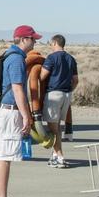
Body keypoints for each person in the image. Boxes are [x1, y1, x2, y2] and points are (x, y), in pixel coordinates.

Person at [0, 25, 40, 197]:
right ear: (24, 39)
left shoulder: (7, 55)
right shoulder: (17, 59)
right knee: (5, 157)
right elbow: (18, 89)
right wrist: (26, 115)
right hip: (9, 113)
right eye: (33, 39)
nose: (35, 42)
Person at [37, 34, 79, 168]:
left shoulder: (52, 57)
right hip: (66, 95)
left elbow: (42, 76)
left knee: (52, 127)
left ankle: (60, 156)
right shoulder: (71, 59)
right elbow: (76, 80)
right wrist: (69, 90)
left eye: (51, 43)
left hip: (54, 95)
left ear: (55, 43)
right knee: (57, 127)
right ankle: (55, 155)